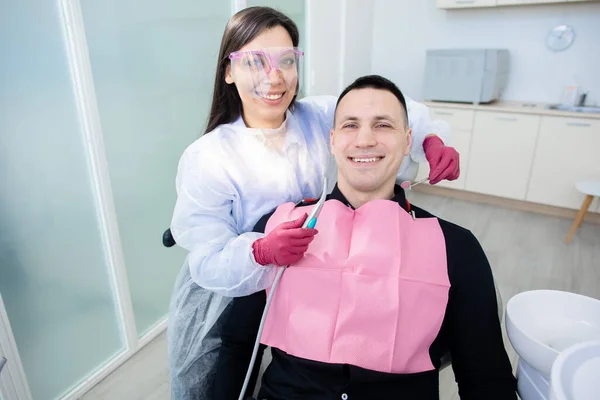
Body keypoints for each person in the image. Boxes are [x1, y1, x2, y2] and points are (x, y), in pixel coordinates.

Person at [168, 6, 460, 399]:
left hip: (303, 269)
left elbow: (380, 108)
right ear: (229, 71)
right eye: (256, 61)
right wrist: (258, 251)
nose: (274, 77)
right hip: (233, 286)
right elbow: (207, 258)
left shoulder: (313, 117)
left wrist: (429, 138)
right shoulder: (209, 157)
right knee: (223, 377)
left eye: (286, 60)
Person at [214, 75, 518, 400]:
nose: (365, 139)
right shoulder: (279, 227)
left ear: (407, 141)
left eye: (383, 125)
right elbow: (237, 345)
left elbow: (486, 379)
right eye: (350, 125)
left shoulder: (455, 247)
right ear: (332, 140)